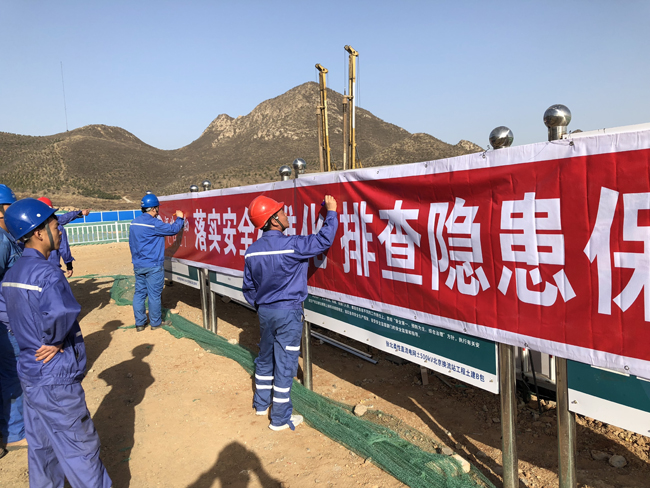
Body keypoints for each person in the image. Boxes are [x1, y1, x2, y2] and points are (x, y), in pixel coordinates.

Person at [1, 198, 111, 487]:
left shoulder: (12, 274)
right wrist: (52, 339)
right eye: (54, 225)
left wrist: (29, 334)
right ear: (38, 233)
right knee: (81, 450)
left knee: (42, 449)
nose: (59, 230)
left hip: (30, 371)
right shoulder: (48, 273)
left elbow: (7, 314)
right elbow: (61, 312)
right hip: (54, 375)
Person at [243, 194, 338, 431]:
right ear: (273, 220)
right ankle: (280, 418)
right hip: (288, 313)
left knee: (265, 357)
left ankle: (261, 404)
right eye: (282, 212)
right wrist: (332, 212)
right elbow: (323, 240)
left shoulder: (252, 251)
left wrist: (263, 306)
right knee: (286, 364)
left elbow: (249, 289)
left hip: (265, 312)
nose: (286, 215)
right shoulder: (291, 245)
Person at [129, 193, 184, 332]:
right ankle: (155, 323)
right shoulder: (154, 223)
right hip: (153, 265)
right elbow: (173, 229)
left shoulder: (134, 222)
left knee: (139, 294)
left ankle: (140, 324)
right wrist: (180, 218)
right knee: (154, 295)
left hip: (138, 264)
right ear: (153, 209)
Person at [0, 184, 26, 457]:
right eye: (10, 206)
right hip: (6, 325)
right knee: (12, 377)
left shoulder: (7, 237)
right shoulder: (0, 239)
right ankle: (16, 432)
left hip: (10, 321)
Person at [36, 197, 90, 278]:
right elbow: (63, 248)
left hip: (34, 269)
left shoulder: (30, 231)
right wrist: (69, 265)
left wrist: (80, 213)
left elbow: (65, 217)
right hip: (52, 268)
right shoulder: (57, 227)